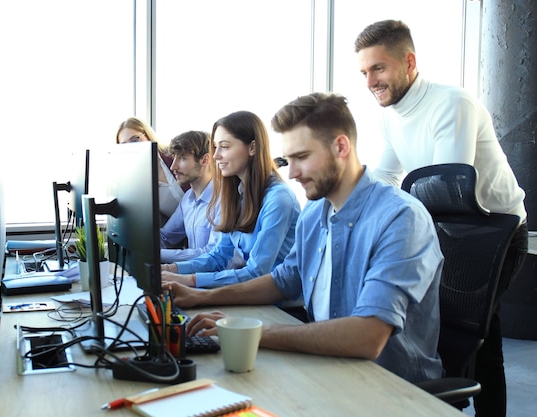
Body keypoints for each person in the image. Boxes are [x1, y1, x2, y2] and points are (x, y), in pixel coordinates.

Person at [167, 92, 444, 384]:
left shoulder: (401, 218)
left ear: (340, 147)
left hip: (390, 386)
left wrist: (249, 332)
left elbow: (368, 335)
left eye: (302, 157)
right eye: (289, 159)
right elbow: (283, 280)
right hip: (328, 368)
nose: (294, 172)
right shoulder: (314, 213)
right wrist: (201, 297)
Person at [355, 19, 528, 416]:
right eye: (364, 72)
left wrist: (389, 220)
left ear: (409, 62)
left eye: (378, 68)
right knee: (475, 332)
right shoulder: (390, 114)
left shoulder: (452, 103)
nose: (369, 81)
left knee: (479, 332)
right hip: (452, 228)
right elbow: (384, 176)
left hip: (496, 229)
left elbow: (445, 185)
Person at [161, 110, 300, 289]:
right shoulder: (235, 194)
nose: (216, 155)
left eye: (224, 147)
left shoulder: (278, 199)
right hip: (249, 296)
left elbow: (256, 273)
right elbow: (218, 256)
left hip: (278, 306)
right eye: (215, 147)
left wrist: (190, 280)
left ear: (252, 148)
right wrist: (169, 269)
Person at [116, 117, 188, 225]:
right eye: (124, 145)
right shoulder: (133, 183)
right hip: (179, 235)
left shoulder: (175, 156)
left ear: (148, 136)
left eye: (135, 139)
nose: (131, 147)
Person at [160, 130, 218, 263]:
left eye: (182, 158)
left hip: (216, 280)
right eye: (174, 157)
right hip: (192, 277)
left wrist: (157, 255)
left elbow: (210, 253)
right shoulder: (188, 198)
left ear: (205, 160)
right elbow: (166, 236)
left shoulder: (222, 200)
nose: (173, 166)